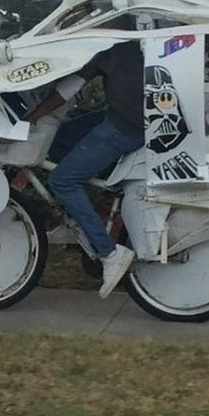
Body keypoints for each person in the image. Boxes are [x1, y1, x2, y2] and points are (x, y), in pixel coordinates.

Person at [24, 20, 144, 298]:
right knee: (62, 138)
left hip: (127, 127)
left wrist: (31, 117)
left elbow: (67, 89)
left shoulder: (104, 43)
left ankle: (109, 253)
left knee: (62, 180)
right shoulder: (124, 35)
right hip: (122, 117)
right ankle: (78, 219)